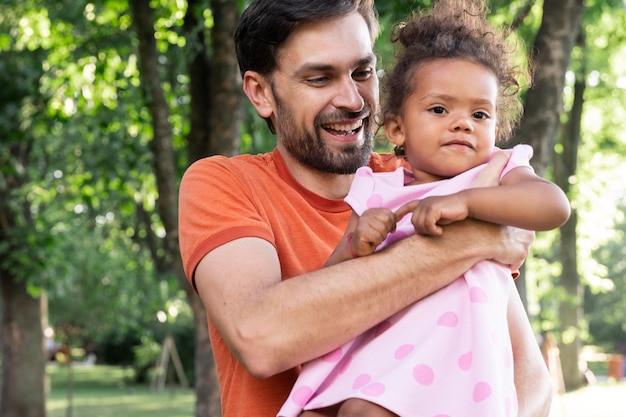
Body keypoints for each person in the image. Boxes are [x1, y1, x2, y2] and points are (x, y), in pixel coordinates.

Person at [177, 1, 553, 416]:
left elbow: (531, 380)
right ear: (261, 92)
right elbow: (260, 337)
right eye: (319, 78)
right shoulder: (226, 184)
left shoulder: (437, 178)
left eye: (362, 72)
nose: (353, 99)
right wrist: (474, 239)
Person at [277, 1, 571, 416]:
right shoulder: (376, 190)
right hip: (384, 360)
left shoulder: (500, 172)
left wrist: (466, 202)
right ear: (397, 127)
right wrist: (358, 244)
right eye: (439, 109)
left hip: (463, 366)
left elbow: (553, 206)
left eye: (480, 113)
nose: (462, 122)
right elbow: (329, 289)